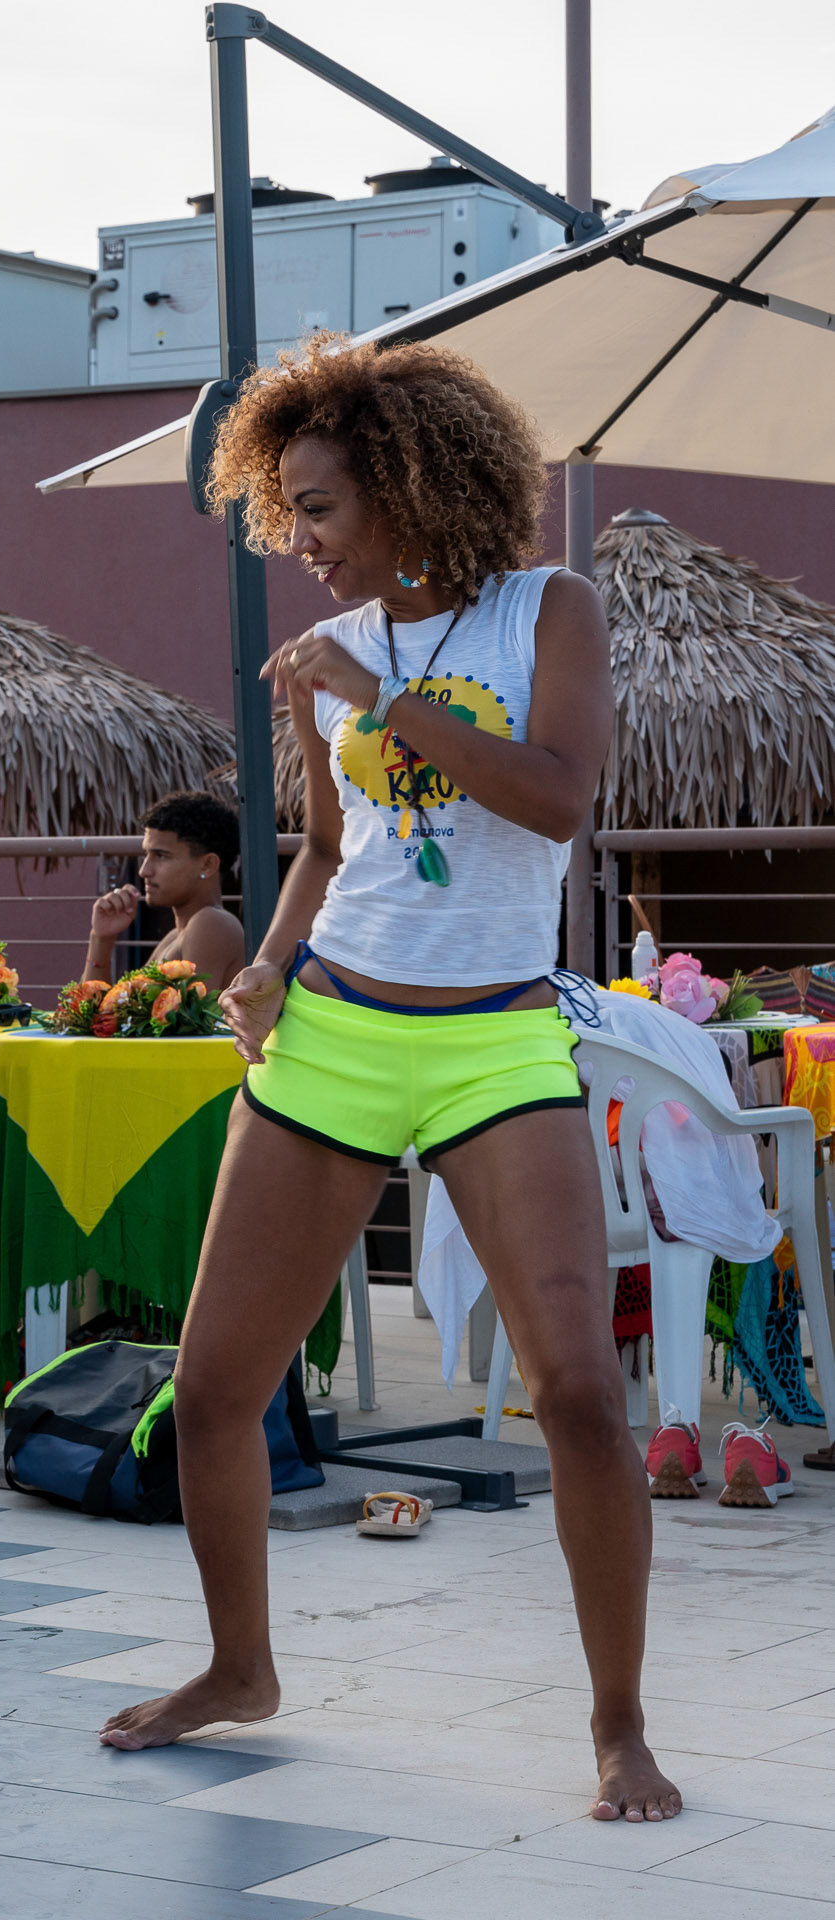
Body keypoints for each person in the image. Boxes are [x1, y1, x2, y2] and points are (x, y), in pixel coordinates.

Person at [98, 336, 680, 1826]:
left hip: (495, 1039)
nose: (297, 540)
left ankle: (618, 1725)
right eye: (284, 509)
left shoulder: (547, 610)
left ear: (411, 487)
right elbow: (322, 846)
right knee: (212, 1391)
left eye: (319, 509)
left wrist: (385, 694)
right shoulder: (329, 652)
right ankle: (239, 1669)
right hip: (335, 1031)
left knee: (577, 1394)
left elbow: (557, 799)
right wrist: (268, 966)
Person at [85, 791, 244, 994]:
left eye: (161, 856)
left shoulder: (212, 923)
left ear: (207, 865)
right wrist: (101, 939)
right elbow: (96, 1012)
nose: (144, 871)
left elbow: (187, 1015)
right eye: (146, 854)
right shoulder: (174, 937)